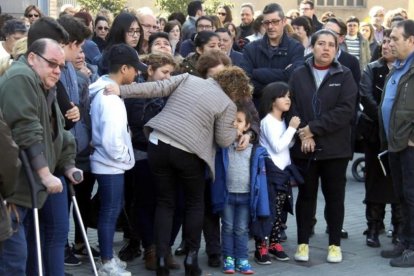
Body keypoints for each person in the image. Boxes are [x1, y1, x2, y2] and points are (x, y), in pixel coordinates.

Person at [105, 67, 240, 276]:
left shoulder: (188, 78)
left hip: (158, 143)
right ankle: (191, 260)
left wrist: (121, 90)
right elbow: (223, 140)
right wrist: (236, 130)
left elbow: (157, 87)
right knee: (195, 203)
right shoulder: (228, 104)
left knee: (164, 202)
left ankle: (160, 259)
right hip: (189, 152)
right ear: (235, 90)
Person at [0, 38, 83, 275]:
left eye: (61, 66)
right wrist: (46, 175)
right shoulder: (21, 79)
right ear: (33, 58)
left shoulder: (46, 87)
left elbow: (59, 133)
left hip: (28, 189)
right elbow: (26, 131)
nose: (57, 70)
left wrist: (68, 165)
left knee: (26, 256)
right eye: (52, 64)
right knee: (13, 261)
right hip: (16, 190)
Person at [289, 29, 357, 264]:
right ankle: (302, 243)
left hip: (335, 149)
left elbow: (345, 111)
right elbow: (292, 105)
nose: (326, 48)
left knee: (335, 198)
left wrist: (313, 129)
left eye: (331, 45)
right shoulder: (299, 73)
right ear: (312, 47)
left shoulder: (345, 74)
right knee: (306, 197)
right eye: (321, 43)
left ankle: (334, 245)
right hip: (305, 149)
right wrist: (304, 134)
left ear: (337, 50)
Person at [89, 44, 146, 276]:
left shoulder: (105, 92)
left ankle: (108, 259)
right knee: (109, 213)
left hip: (108, 163)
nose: (138, 73)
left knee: (110, 212)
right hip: (110, 164)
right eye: (135, 69)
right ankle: (106, 263)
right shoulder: (110, 99)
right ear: (124, 68)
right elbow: (112, 139)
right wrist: (125, 158)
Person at [359, 29, 402, 248]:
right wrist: (384, 118)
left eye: (390, 41)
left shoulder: (405, 70)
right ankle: (374, 227)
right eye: (383, 42)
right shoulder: (372, 68)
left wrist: (395, 123)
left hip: (399, 136)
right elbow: (366, 96)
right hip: (375, 135)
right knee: (375, 181)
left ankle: (398, 228)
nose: (385, 45)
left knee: (397, 182)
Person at [378, 19, 414, 268]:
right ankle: (404, 240)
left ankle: (413, 247)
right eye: (389, 38)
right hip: (395, 143)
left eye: (395, 38)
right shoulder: (398, 67)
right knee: (400, 195)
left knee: (412, 196)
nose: (390, 42)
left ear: (411, 40)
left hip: (409, 144)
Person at [254, 82, 301, 265]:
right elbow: (277, 146)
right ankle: (261, 246)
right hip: (271, 174)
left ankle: (274, 243)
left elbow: (285, 146)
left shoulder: (282, 121)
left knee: (280, 212)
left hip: (283, 173)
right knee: (268, 211)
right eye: (283, 96)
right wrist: (292, 128)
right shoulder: (267, 121)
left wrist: (290, 131)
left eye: (289, 96)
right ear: (273, 100)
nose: (287, 100)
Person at [211, 104, 256, 275]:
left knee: (242, 228)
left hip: (245, 195)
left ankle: (242, 258)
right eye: (232, 122)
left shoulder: (252, 148)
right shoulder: (223, 146)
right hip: (227, 195)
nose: (236, 124)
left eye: (240, 121)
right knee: (228, 227)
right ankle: (228, 258)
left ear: (247, 126)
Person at [241, 3, 304, 106]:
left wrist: (256, 72)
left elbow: (293, 79)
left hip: (286, 112)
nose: (270, 26)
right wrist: (283, 75)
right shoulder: (251, 49)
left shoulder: (296, 48)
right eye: (266, 23)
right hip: (257, 109)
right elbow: (245, 81)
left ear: (284, 21)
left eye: (275, 22)